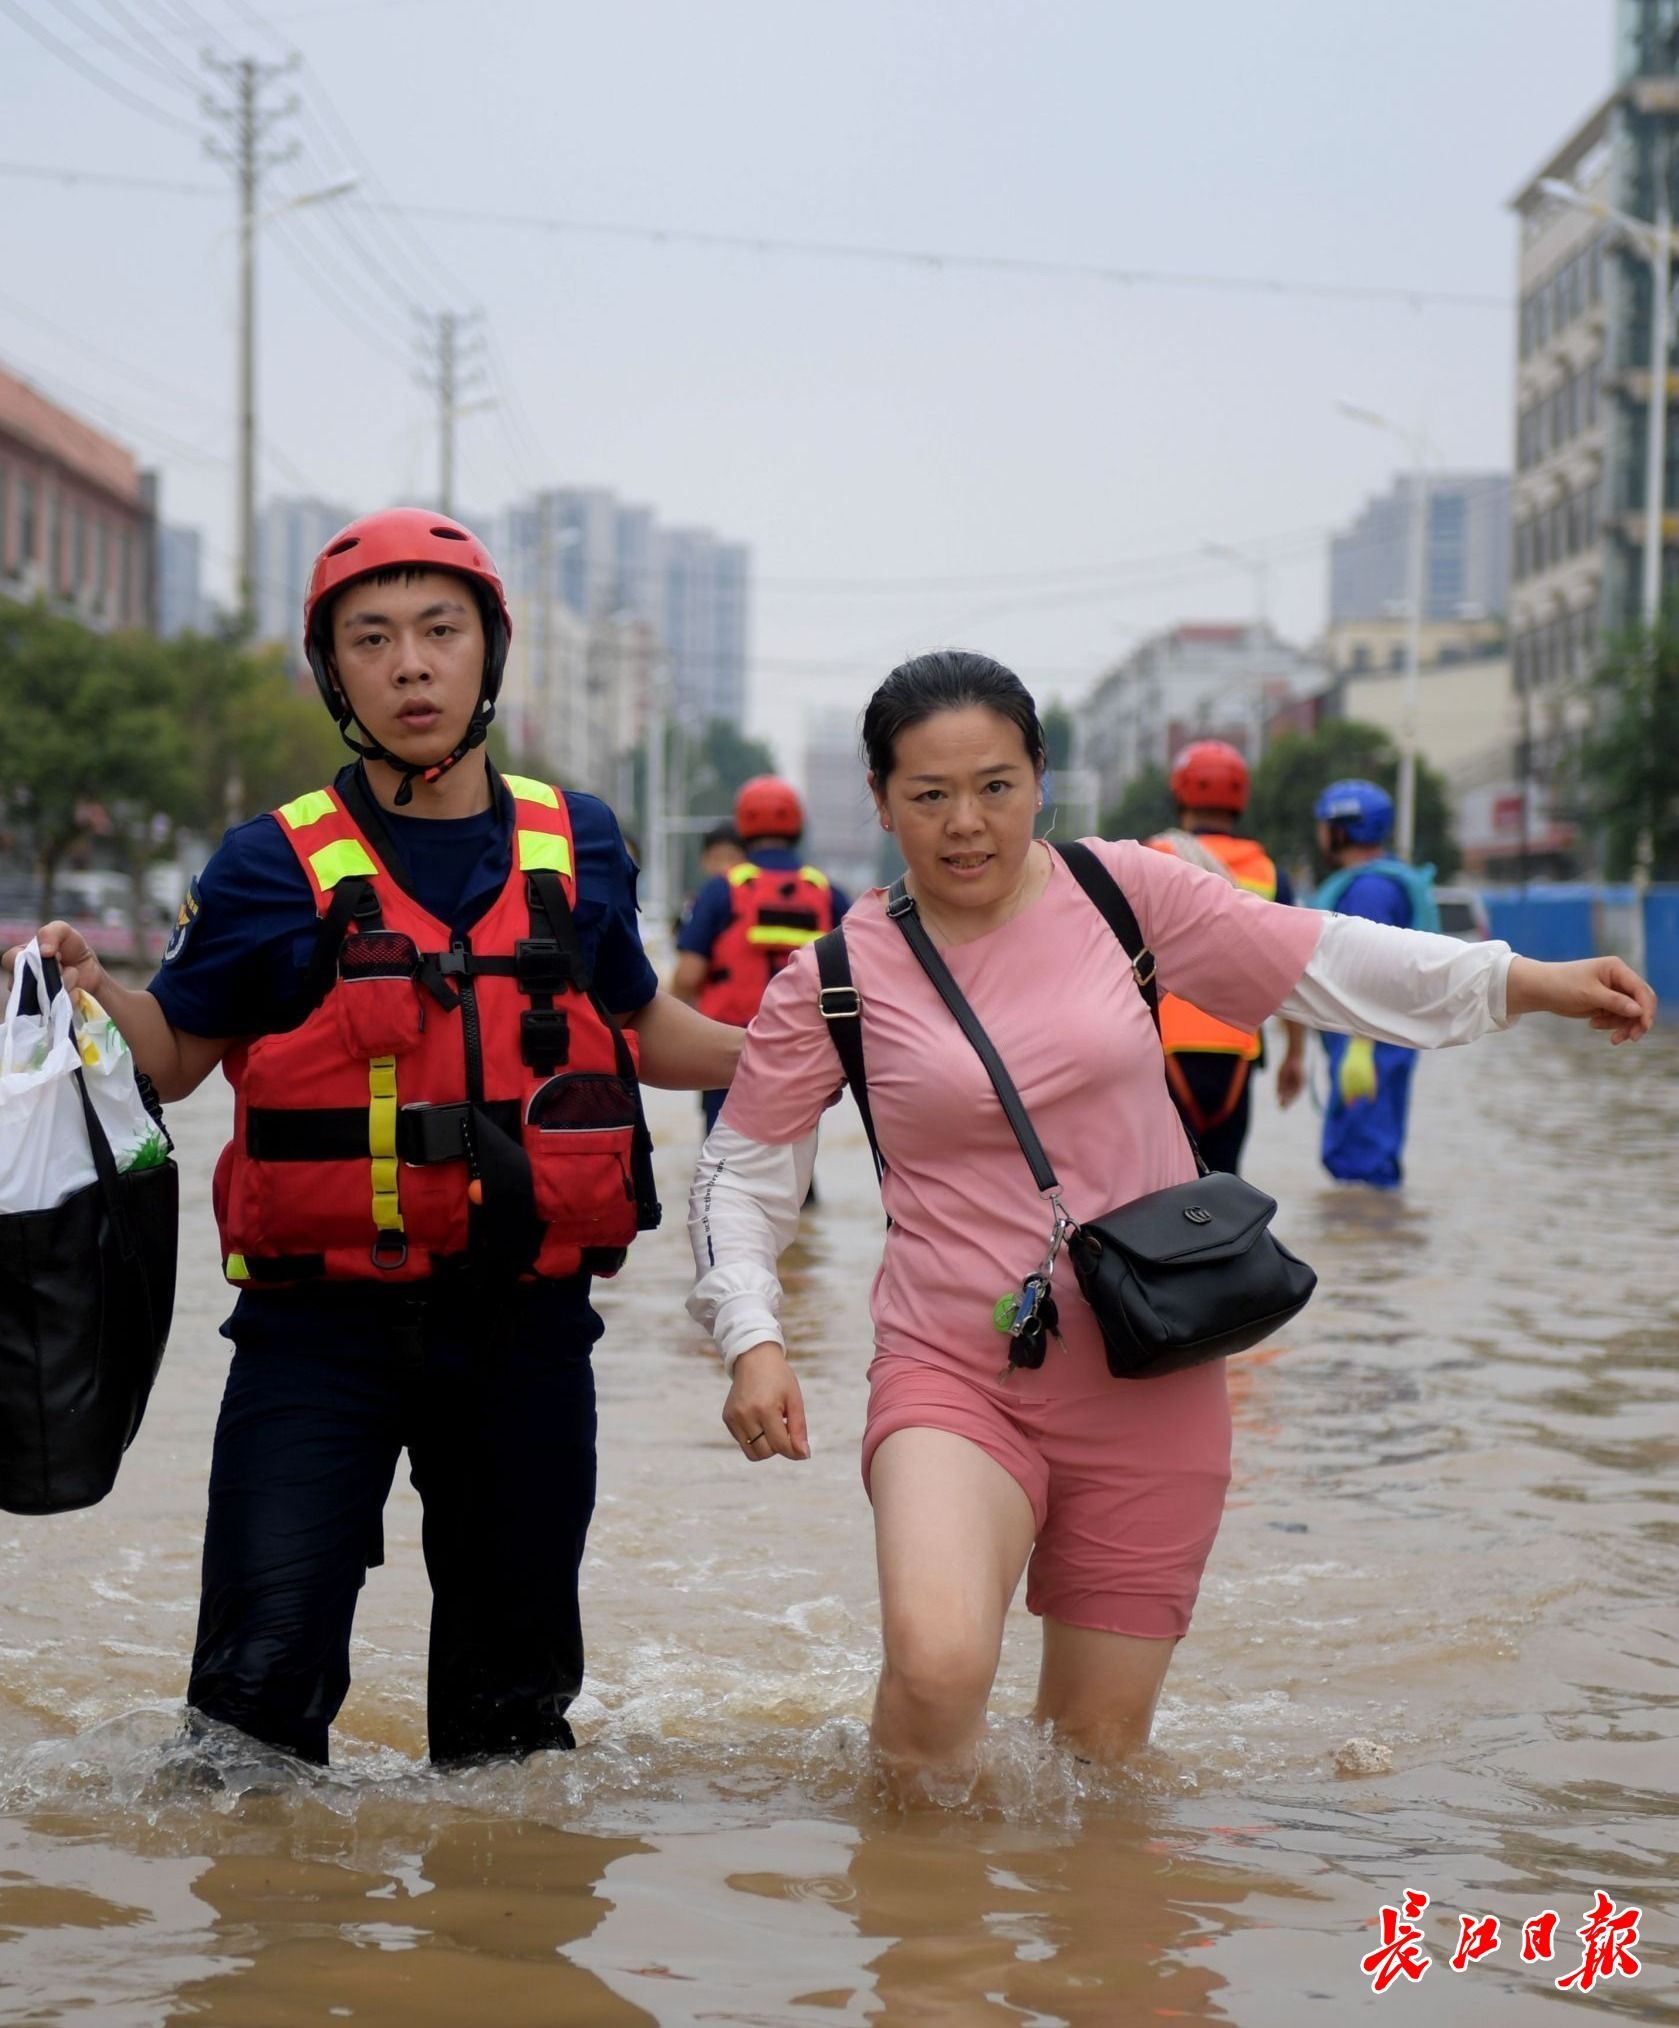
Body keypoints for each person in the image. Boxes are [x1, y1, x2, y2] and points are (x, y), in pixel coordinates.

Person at [685, 651, 1653, 1780]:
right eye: (928, 795)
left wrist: (1522, 982)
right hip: (952, 1373)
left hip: (1151, 1368)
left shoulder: (1122, 892)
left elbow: (1322, 960)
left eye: (994, 786)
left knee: (1094, 1758)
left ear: (1040, 779)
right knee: (939, 1668)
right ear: (878, 798)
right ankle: (917, 1932)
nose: (965, 825)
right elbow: (740, 1174)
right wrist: (752, 1338)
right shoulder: (837, 976)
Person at [3, 508, 741, 1769]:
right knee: (248, 1716)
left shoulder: (586, 842)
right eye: (373, 638)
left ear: (487, 653)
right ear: (333, 670)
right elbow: (175, 1059)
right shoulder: (265, 864)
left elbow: (641, 1023)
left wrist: (814, 1058)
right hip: (315, 1341)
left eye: (439, 632)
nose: (410, 664)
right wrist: (90, 991)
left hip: (529, 1333)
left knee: (511, 1734)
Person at [1145, 740, 1307, 1173]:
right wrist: (1295, 1055)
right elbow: (1292, 969)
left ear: (1179, 793)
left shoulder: (1151, 857)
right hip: (1237, 1053)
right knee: (1223, 1194)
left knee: (1159, 1192)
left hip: (1162, 1053)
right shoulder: (1270, 873)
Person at [671, 776, 850, 1132]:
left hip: (726, 1052)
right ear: (798, 827)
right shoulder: (826, 892)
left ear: (743, 829)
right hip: (804, 1050)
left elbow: (687, 976)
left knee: (726, 1157)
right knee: (794, 1150)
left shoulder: (722, 889)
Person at [1308, 779, 1441, 1189]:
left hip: (1365, 1045)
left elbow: (1367, 970)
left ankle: (1366, 1242)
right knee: (1372, 1151)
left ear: (1343, 829)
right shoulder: (1387, 881)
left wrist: (1359, 1048)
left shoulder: (1368, 890)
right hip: (1379, 1041)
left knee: (1360, 1163)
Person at [672, 821, 746, 941]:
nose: (724, 867)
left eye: (731, 858)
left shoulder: (753, 903)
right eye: (716, 858)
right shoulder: (691, 909)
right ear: (703, 861)